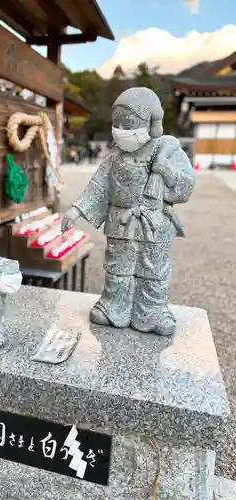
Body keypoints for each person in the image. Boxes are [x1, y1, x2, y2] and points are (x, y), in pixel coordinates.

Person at [61, 87, 195, 336]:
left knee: (152, 269)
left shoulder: (168, 151)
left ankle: (152, 312)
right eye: (117, 123)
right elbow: (98, 186)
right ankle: (114, 307)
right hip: (120, 221)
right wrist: (76, 211)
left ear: (152, 122)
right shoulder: (115, 157)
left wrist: (166, 171)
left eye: (130, 123)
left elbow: (186, 186)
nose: (122, 129)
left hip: (154, 221)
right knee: (117, 267)